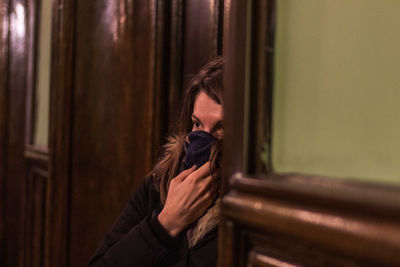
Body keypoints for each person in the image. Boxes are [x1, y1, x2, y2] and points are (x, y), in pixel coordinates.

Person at [88, 57, 224, 267]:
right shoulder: (159, 184)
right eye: (197, 124)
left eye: (221, 128)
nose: (203, 140)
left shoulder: (246, 209)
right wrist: (166, 223)